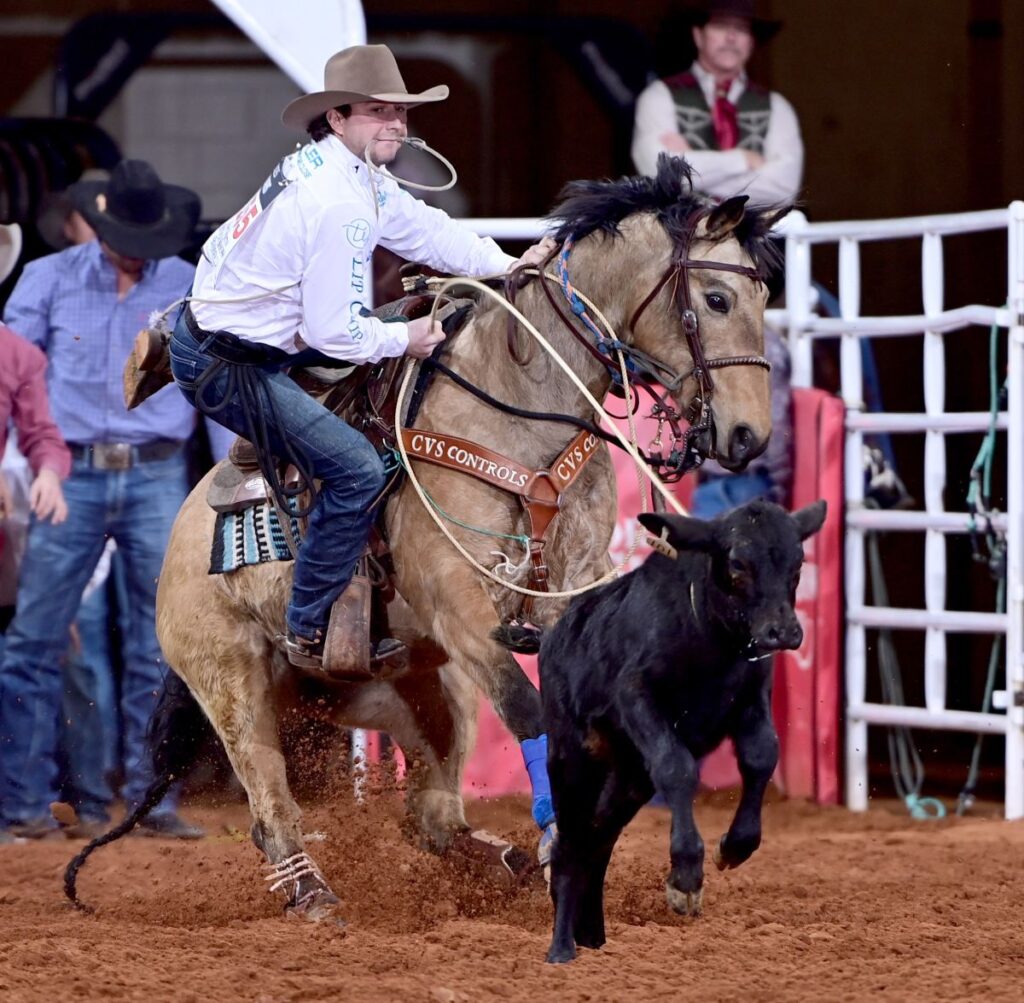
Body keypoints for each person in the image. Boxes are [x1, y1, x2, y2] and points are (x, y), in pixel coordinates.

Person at [170, 43, 555, 670]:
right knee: (357, 468)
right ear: (339, 119)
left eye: (400, 112)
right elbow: (335, 335)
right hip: (232, 365)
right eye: (378, 111)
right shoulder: (340, 203)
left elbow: (425, 230)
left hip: (250, 335)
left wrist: (509, 265)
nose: (396, 125)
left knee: (410, 336)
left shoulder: (346, 175)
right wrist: (406, 340)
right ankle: (308, 625)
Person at [0, 161, 205, 840]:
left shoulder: (185, 284)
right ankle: (24, 804)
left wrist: (250, 458)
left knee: (161, 641)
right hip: (73, 472)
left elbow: (217, 382)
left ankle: (152, 801)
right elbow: (13, 380)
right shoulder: (48, 279)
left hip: (156, 470)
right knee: (36, 638)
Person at [631, 0, 802, 206]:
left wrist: (690, 166)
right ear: (698, 35)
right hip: (680, 236)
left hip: (754, 238)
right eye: (720, 26)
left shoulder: (777, 107)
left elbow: (784, 189)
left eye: (741, 28)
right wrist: (742, 160)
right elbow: (658, 172)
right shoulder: (659, 96)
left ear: (751, 41)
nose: (731, 38)